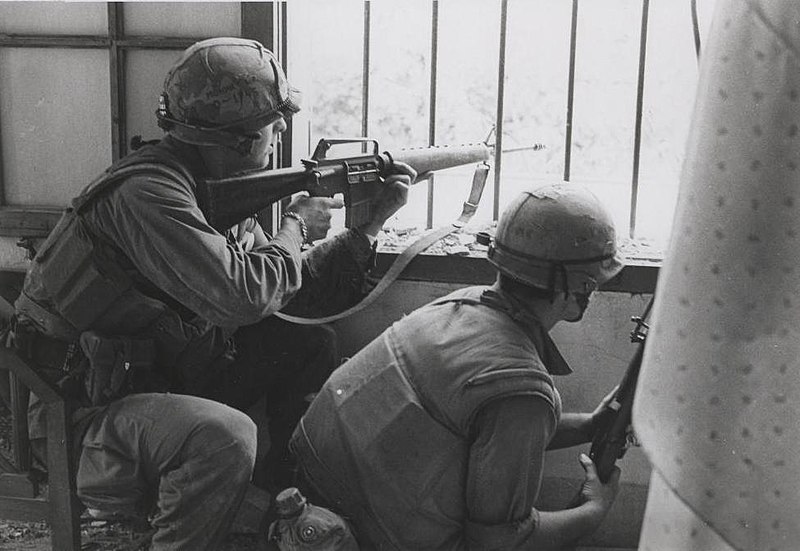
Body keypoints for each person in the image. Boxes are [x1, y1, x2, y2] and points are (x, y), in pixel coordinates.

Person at [9, 37, 413, 550]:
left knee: (310, 344)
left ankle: (280, 508)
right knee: (224, 436)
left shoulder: (209, 186)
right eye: (272, 121)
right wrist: (295, 225)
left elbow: (287, 295)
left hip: (148, 383)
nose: (283, 128)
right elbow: (240, 297)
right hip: (73, 417)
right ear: (236, 140)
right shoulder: (148, 194)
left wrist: (368, 227)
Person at [290, 182, 625, 550]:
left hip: (309, 499)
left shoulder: (460, 306)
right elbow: (497, 543)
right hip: (361, 536)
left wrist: (590, 426)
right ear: (581, 287)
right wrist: (594, 511)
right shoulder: (522, 391)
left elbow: (482, 432)